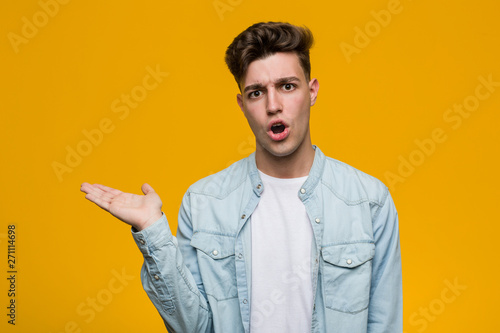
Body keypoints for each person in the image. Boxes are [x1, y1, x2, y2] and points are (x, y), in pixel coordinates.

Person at [81, 22, 402, 333]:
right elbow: (194, 328)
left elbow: (384, 325)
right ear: (242, 104)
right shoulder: (204, 202)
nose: (273, 105)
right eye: (256, 93)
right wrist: (152, 231)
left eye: (287, 86)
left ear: (312, 91)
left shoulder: (369, 201)